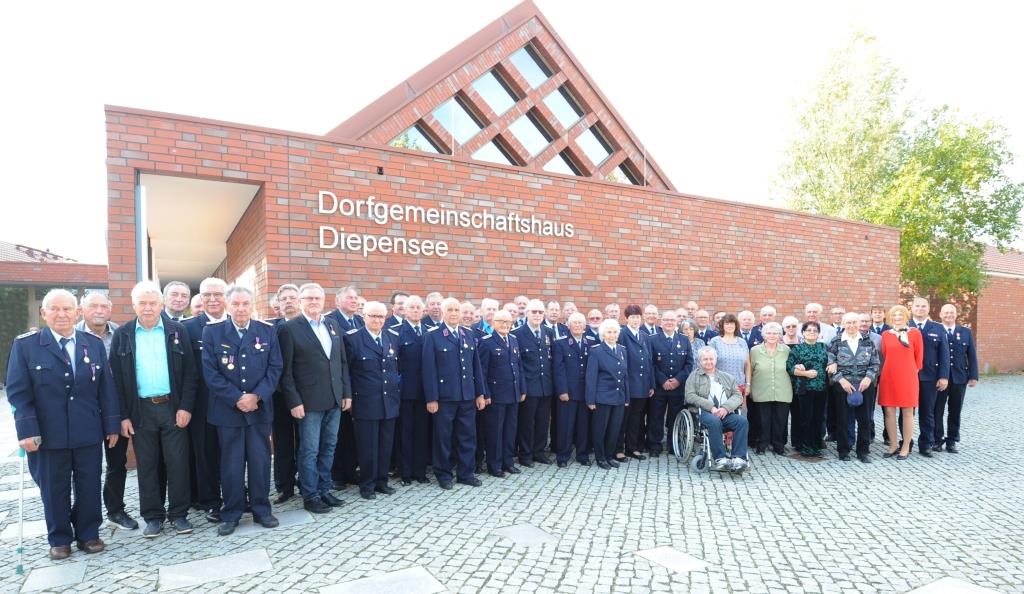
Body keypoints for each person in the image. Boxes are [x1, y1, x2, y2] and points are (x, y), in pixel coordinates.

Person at [7, 289, 121, 559]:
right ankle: (59, 538)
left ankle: (88, 534)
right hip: (48, 433)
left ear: (76, 313)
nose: (61, 314)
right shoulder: (27, 345)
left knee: (89, 484)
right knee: (53, 487)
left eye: (67, 309)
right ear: (43, 313)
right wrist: (27, 430)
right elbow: (18, 392)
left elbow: (106, 388)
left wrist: (111, 424)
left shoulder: (91, 344)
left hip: (87, 429)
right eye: (54, 309)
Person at [110, 281, 196, 539]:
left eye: (152, 303)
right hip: (140, 411)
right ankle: (153, 517)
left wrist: (186, 407)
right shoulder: (123, 334)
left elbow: (192, 374)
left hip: (173, 407)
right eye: (142, 303)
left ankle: (179, 515)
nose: (147, 308)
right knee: (147, 466)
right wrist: (123, 415)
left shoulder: (178, 330)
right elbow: (116, 381)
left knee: (178, 463)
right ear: (134, 305)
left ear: (161, 304)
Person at [201, 285, 282, 535]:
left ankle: (262, 510)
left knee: (260, 462)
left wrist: (256, 396)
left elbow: (275, 367)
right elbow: (210, 372)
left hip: (259, 410)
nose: (240, 308)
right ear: (228, 305)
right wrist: (237, 398)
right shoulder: (213, 332)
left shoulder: (266, 331)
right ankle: (232, 513)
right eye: (235, 304)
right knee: (231, 464)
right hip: (228, 411)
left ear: (252, 305)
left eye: (245, 303)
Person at [278, 282, 352, 514]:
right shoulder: (289, 329)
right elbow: (285, 371)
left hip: (334, 399)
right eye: (308, 298)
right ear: (300, 302)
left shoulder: (332, 325)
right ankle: (310, 496)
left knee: (329, 447)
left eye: (317, 299)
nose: (313, 302)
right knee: (309, 450)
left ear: (323, 301)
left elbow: (341, 362)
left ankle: (324, 489)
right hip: (308, 403)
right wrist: (294, 401)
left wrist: (346, 392)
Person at [75, 291, 134, 531]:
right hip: (83, 412)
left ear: (109, 310)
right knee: (82, 468)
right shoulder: (72, 335)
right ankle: (82, 516)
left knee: (116, 463)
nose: (99, 311)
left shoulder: (121, 334)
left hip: (115, 410)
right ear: (82, 310)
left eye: (103, 307)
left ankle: (115, 510)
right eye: (93, 306)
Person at [422, 297, 486, 489]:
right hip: (444, 397)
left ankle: (466, 473)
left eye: (456, 310)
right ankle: (444, 474)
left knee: (467, 435)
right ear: (442, 312)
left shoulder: (467, 334)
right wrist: (431, 397)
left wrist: (480, 393)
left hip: (467, 395)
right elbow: (428, 370)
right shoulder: (432, 336)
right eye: (449, 310)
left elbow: (476, 367)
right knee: (444, 437)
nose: (453, 313)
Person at [181, 277, 230, 521]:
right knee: (206, 454)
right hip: (203, 404)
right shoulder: (187, 328)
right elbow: (186, 372)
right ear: (200, 298)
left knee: (232, 452)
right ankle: (211, 500)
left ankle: (235, 495)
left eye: (217, 294)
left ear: (226, 297)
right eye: (207, 295)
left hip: (233, 403)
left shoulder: (238, 324)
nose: (212, 299)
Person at [344, 301, 401, 500]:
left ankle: (381, 481)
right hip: (366, 401)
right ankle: (367, 484)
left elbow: (395, 369)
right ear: (364, 317)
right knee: (368, 445)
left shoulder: (392, 337)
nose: (377, 320)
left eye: (380, 317)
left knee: (386, 444)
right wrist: (349, 396)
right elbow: (347, 372)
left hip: (389, 400)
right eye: (372, 316)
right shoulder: (353, 339)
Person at [684, 347, 749, 472]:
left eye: (711, 359)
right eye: (705, 359)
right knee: (714, 421)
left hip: (726, 412)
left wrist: (726, 408)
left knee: (742, 421)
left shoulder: (727, 377)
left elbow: (737, 396)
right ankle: (720, 458)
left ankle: (738, 458)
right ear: (700, 361)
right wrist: (710, 407)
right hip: (704, 413)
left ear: (716, 360)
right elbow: (690, 395)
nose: (708, 362)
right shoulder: (694, 377)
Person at [827, 312, 880, 463]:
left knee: (865, 420)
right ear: (843, 324)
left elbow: (875, 363)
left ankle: (863, 451)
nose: (851, 326)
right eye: (848, 323)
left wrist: (869, 378)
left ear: (859, 324)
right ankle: (843, 450)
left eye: (854, 323)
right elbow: (830, 364)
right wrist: (841, 381)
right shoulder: (836, 341)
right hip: (843, 385)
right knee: (842, 419)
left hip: (865, 385)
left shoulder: (867, 341)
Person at [478, 309, 526, 476]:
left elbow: (518, 366)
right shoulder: (486, 342)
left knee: (510, 430)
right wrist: (486, 394)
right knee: (495, 432)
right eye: (501, 322)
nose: (505, 325)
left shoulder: (513, 339)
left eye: (508, 322)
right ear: (494, 323)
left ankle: (508, 462)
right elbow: (482, 371)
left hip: (513, 394)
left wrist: (522, 389)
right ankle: (494, 465)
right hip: (496, 395)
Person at [326, 286, 362, 490]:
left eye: (356, 298)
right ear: (338, 301)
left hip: (358, 384)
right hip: (339, 385)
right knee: (338, 432)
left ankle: (350, 470)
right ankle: (336, 474)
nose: (354, 301)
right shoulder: (331, 321)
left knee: (353, 432)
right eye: (350, 298)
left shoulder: (358, 320)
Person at [512, 299, 555, 467]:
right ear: (527, 313)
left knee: (543, 421)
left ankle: (539, 452)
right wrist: (522, 387)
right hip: (529, 386)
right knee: (527, 423)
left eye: (540, 312)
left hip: (546, 386)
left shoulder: (548, 332)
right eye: (534, 312)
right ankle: (525, 455)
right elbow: (517, 364)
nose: (537, 315)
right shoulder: (517, 333)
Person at [393, 295, 431, 485]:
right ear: (405, 310)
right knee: (405, 432)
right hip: (406, 392)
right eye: (412, 307)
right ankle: (405, 472)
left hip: (425, 392)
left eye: (418, 307)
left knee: (422, 432)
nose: (416, 310)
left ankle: (420, 471)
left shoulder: (430, 331)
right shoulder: (397, 332)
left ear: (423, 311)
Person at [270, 284, 302, 503]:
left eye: (293, 297)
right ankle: (284, 485)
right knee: (282, 442)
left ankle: (306, 481)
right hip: (279, 394)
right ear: (277, 305)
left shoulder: (309, 326)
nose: (289, 301)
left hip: (305, 393)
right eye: (284, 299)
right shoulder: (270, 329)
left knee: (305, 441)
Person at [878, 305, 923, 460]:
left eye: (900, 314)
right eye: (894, 315)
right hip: (889, 376)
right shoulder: (885, 335)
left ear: (906, 316)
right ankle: (893, 445)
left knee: (907, 412)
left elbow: (919, 358)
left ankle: (905, 447)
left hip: (908, 376)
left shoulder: (915, 333)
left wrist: (910, 373)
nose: (897, 317)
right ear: (890, 318)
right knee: (889, 412)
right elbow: (884, 355)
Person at [648, 309, 694, 457]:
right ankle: (655, 445)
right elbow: (651, 363)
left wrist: (677, 380)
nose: (669, 323)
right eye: (666, 320)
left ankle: (673, 444)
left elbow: (689, 363)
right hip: (660, 387)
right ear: (661, 323)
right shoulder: (652, 339)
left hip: (678, 387)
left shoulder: (684, 339)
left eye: (672, 320)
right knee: (656, 416)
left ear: (676, 323)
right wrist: (663, 380)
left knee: (675, 416)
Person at [553, 312, 597, 466]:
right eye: (575, 323)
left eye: (580, 323)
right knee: (565, 425)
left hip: (586, 392)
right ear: (568, 325)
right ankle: (562, 457)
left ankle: (582, 455)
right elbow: (558, 369)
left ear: (585, 326)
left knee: (583, 425)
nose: (578, 325)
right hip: (568, 393)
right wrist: (562, 391)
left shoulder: (591, 343)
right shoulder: (560, 343)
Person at [909, 297, 950, 457]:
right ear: (911, 308)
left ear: (928, 308)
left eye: (923, 306)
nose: (920, 308)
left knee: (928, 412)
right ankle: (906, 443)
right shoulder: (904, 326)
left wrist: (944, 376)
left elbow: (944, 354)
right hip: (908, 376)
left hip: (930, 376)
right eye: (917, 306)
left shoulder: (938, 328)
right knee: (907, 412)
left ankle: (926, 444)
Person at [934, 304, 978, 453]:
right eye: (946, 312)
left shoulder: (965, 332)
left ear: (956, 314)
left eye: (952, 312)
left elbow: (971, 355)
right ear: (940, 314)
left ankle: (952, 440)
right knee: (937, 410)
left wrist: (973, 375)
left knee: (955, 410)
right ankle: (937, 439)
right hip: (940, 377)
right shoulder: (935, 330)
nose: (949, 315)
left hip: (959, 377)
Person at [585, 319, 628, 470]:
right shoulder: (596, 351)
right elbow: (591, 377)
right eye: (609, 332)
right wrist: (590, 399)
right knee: (600, 429)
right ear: (603, 334)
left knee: (614, 429)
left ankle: (609, 456)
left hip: (618, 397)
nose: (612, 335)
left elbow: (625, 375)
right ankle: (600, 457)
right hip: (602, 397)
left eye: (615, 332)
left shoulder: (622, 350)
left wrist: (626, 397)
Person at [748, 322, 792, 455]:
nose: (772, 336)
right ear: (764, 335)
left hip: (782, 388)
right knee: (762, 419)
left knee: (780, 419)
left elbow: (792, 367)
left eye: (775, 333)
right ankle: (762, 444)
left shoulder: (786, 350)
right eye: (769, 333)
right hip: (761, 388)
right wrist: (748, 386)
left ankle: (779, 446)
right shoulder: (755, 350)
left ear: (780, 335)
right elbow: (750, 370)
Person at [618, 304, 654, 461]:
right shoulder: (621, 334)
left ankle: (632, 448)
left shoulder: (645, 336)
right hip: (627, 385)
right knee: (622, 418)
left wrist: (651, 384)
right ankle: (618, 449)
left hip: (643, 385)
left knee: (636, 419)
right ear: (626, 318)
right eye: (632, 317)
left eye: (638, 317)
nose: (635, 320)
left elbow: (650, 361)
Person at [787, 321, 828, 457]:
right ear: (803, 333)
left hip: (821, 388)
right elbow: (790, 368)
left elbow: (830, 362)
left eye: (815, 330)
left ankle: (816, 444)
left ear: (818, 333)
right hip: (804, 389)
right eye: (808, 330)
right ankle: (804, 445)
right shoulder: (797, 349)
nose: (812, 332)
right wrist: (805, 373)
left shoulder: (823, 347)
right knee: (805, 418)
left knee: (818, 417)